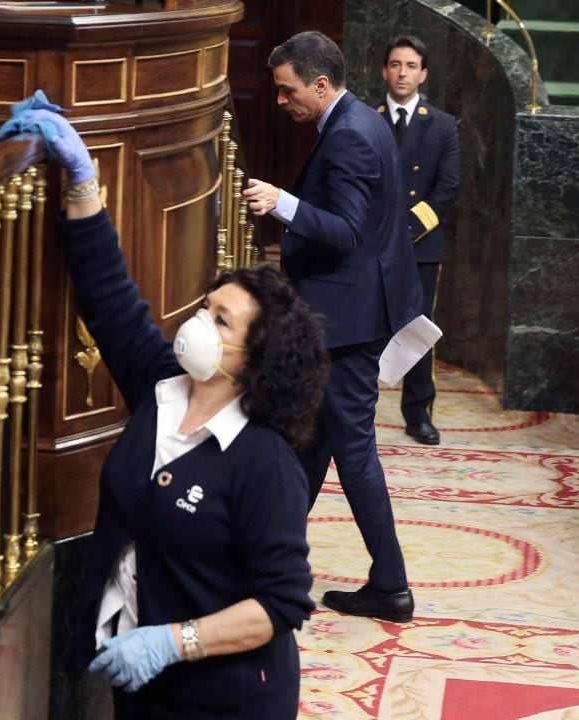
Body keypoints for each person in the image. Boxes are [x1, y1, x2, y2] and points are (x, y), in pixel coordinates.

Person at [0, 95, 329, 718]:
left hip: (224, 699)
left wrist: (174, 642)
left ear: (255, 358)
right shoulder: (161, 386)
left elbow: (281, 604)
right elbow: (110, 295)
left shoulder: (264, 461)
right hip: (140, 685)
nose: (201, 321)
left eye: (220, 319)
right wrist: (82, 178)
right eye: (207, 306)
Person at [240, 31, 422, 622]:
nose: (280, 101)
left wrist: (282, 202)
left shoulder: (349, 136)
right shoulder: (359, 122)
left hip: (348, 321)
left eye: (287, 90)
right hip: (351, 311)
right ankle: (271, 562)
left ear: (321, 85)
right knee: (313, 442)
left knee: (352, 450)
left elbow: (345, 230)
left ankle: (391, 584)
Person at [377, 34, 460, 446]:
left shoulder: (443, 125)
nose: (402, 72)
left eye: (410, 66)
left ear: (423, 73)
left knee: (417, 329)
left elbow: (446, 189)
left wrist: (406, 230)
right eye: (395, 64)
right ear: (384, 71)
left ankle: (418, 412)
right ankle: (355, 409)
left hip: (419, 244)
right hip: (370, 244)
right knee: (364, 326)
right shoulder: (367, 119)